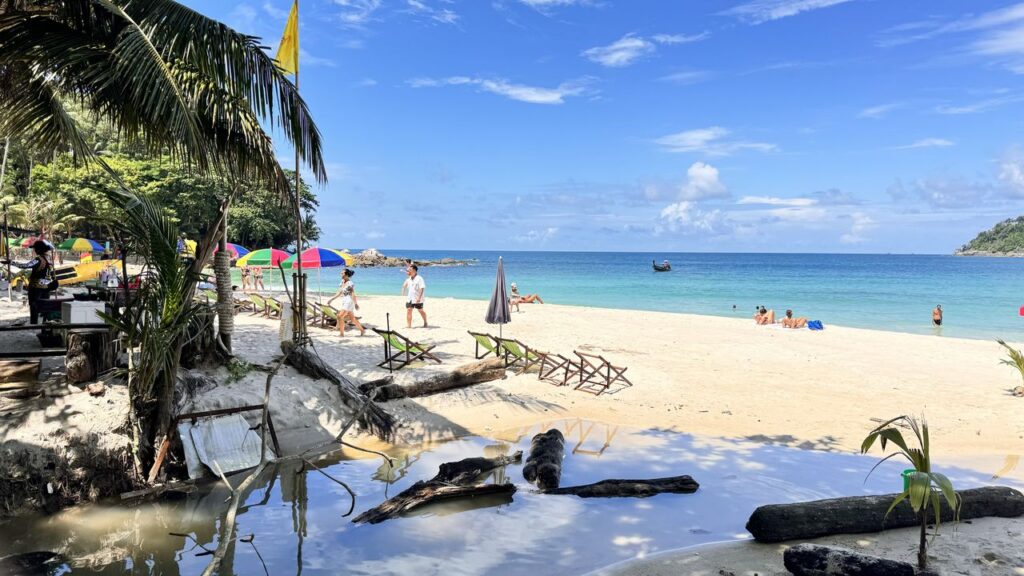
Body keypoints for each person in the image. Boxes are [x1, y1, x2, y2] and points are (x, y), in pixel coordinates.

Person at [4, 240, 55, 324]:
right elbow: (52, 274)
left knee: (34, 306)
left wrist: (11, 262)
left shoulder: (38, 259)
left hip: (36, 287)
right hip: (47, 287)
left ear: (38, 250)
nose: (34, 250)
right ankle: (45, 323)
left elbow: (26, 265)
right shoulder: (49, 260)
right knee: (45, 306)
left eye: (35, 249)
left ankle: (34, 323)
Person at [327, 268, 365, 337]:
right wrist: (331, 299)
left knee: (340, 316)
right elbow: (339, 292)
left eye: (342, 273)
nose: (341, 274)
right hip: (345, 300)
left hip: (349, 301)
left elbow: (353, 293)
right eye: (341, 273)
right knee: (352, 319)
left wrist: (356, 303)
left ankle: (341, 333)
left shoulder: (350, 283)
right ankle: (362, 330)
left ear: (346, 275)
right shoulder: (342, 282)